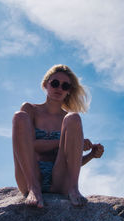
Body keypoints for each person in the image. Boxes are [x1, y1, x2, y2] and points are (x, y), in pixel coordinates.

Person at [12, 64, 104, 208]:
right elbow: (27, 146)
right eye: (55, 83)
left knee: (74, 117)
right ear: (45, 84)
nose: (59, 88)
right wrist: (63, 142)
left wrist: (90, 154)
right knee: (19, 117)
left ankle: (74, 189)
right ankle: (34, 189)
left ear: (69, 91)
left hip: (60, 179)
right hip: (30, 175)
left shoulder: (68, 120)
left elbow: (70, 161)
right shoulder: (31, 109)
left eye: (65, 86)